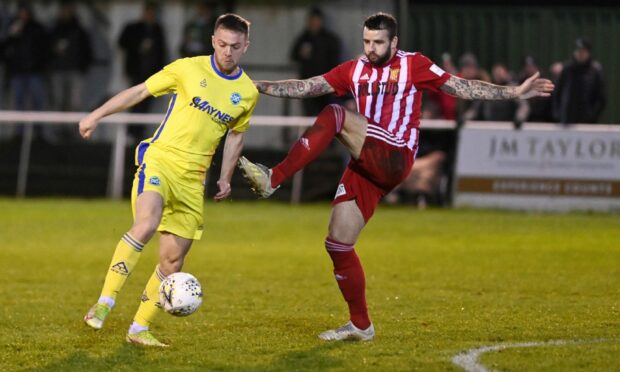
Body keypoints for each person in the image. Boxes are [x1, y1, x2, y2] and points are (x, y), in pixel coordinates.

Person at [238, 12, 553, 341]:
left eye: (378, 42)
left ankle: (274, 178)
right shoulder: (354, 69)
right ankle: (361, 325)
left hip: (395, 154)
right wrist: (258, 86)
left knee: (335, 113)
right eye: (366, 42)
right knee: (338, 243)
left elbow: (463, 87)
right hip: (366, 163)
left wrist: (516, 92)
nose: (371, 49)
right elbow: (307, 86)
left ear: (394, 42)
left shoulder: (413, 65)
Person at [80, 13, 258, 347]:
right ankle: (104, 303)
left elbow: (236, 135)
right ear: (213, 42)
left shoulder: (247, 93)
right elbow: (138, 92)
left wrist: (225, 177)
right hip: (160, 161)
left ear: (246, 46)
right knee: (146, 223)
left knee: (172, 261)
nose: (227, 52)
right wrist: (96, 115)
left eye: (235, 46)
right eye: (221, 44)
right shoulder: (187, 68)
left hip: (193, 181)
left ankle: (139, 330)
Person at [118, 1, 168, 140]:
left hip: (151, 74)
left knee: (145, 104)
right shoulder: (134, 28)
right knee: (134, 102)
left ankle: (138, 133)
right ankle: (131, 132)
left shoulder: (157, 29)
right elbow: (122, 42)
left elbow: (162, 52)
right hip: (136, 72)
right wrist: (138, 46)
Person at [290, 7, 341, 116]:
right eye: (312, 21)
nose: (314, 24)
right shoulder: (303, 38)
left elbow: (336, 61)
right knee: (308, 114)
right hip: (307, 85)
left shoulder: (329, 39)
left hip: (325, 84)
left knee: (326, 113)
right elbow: (293, 56)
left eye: (316, 21)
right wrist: (301, 54)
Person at [553, 37, 606, 124]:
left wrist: (593, 116)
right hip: (567, 121)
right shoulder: (567, 69)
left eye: (583, 51)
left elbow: (601, 98)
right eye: (579, 51)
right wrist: (558, 114)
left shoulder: (595, 71)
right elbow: (557, 92)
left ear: (588, 52)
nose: (580, 54)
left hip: (587, 122)